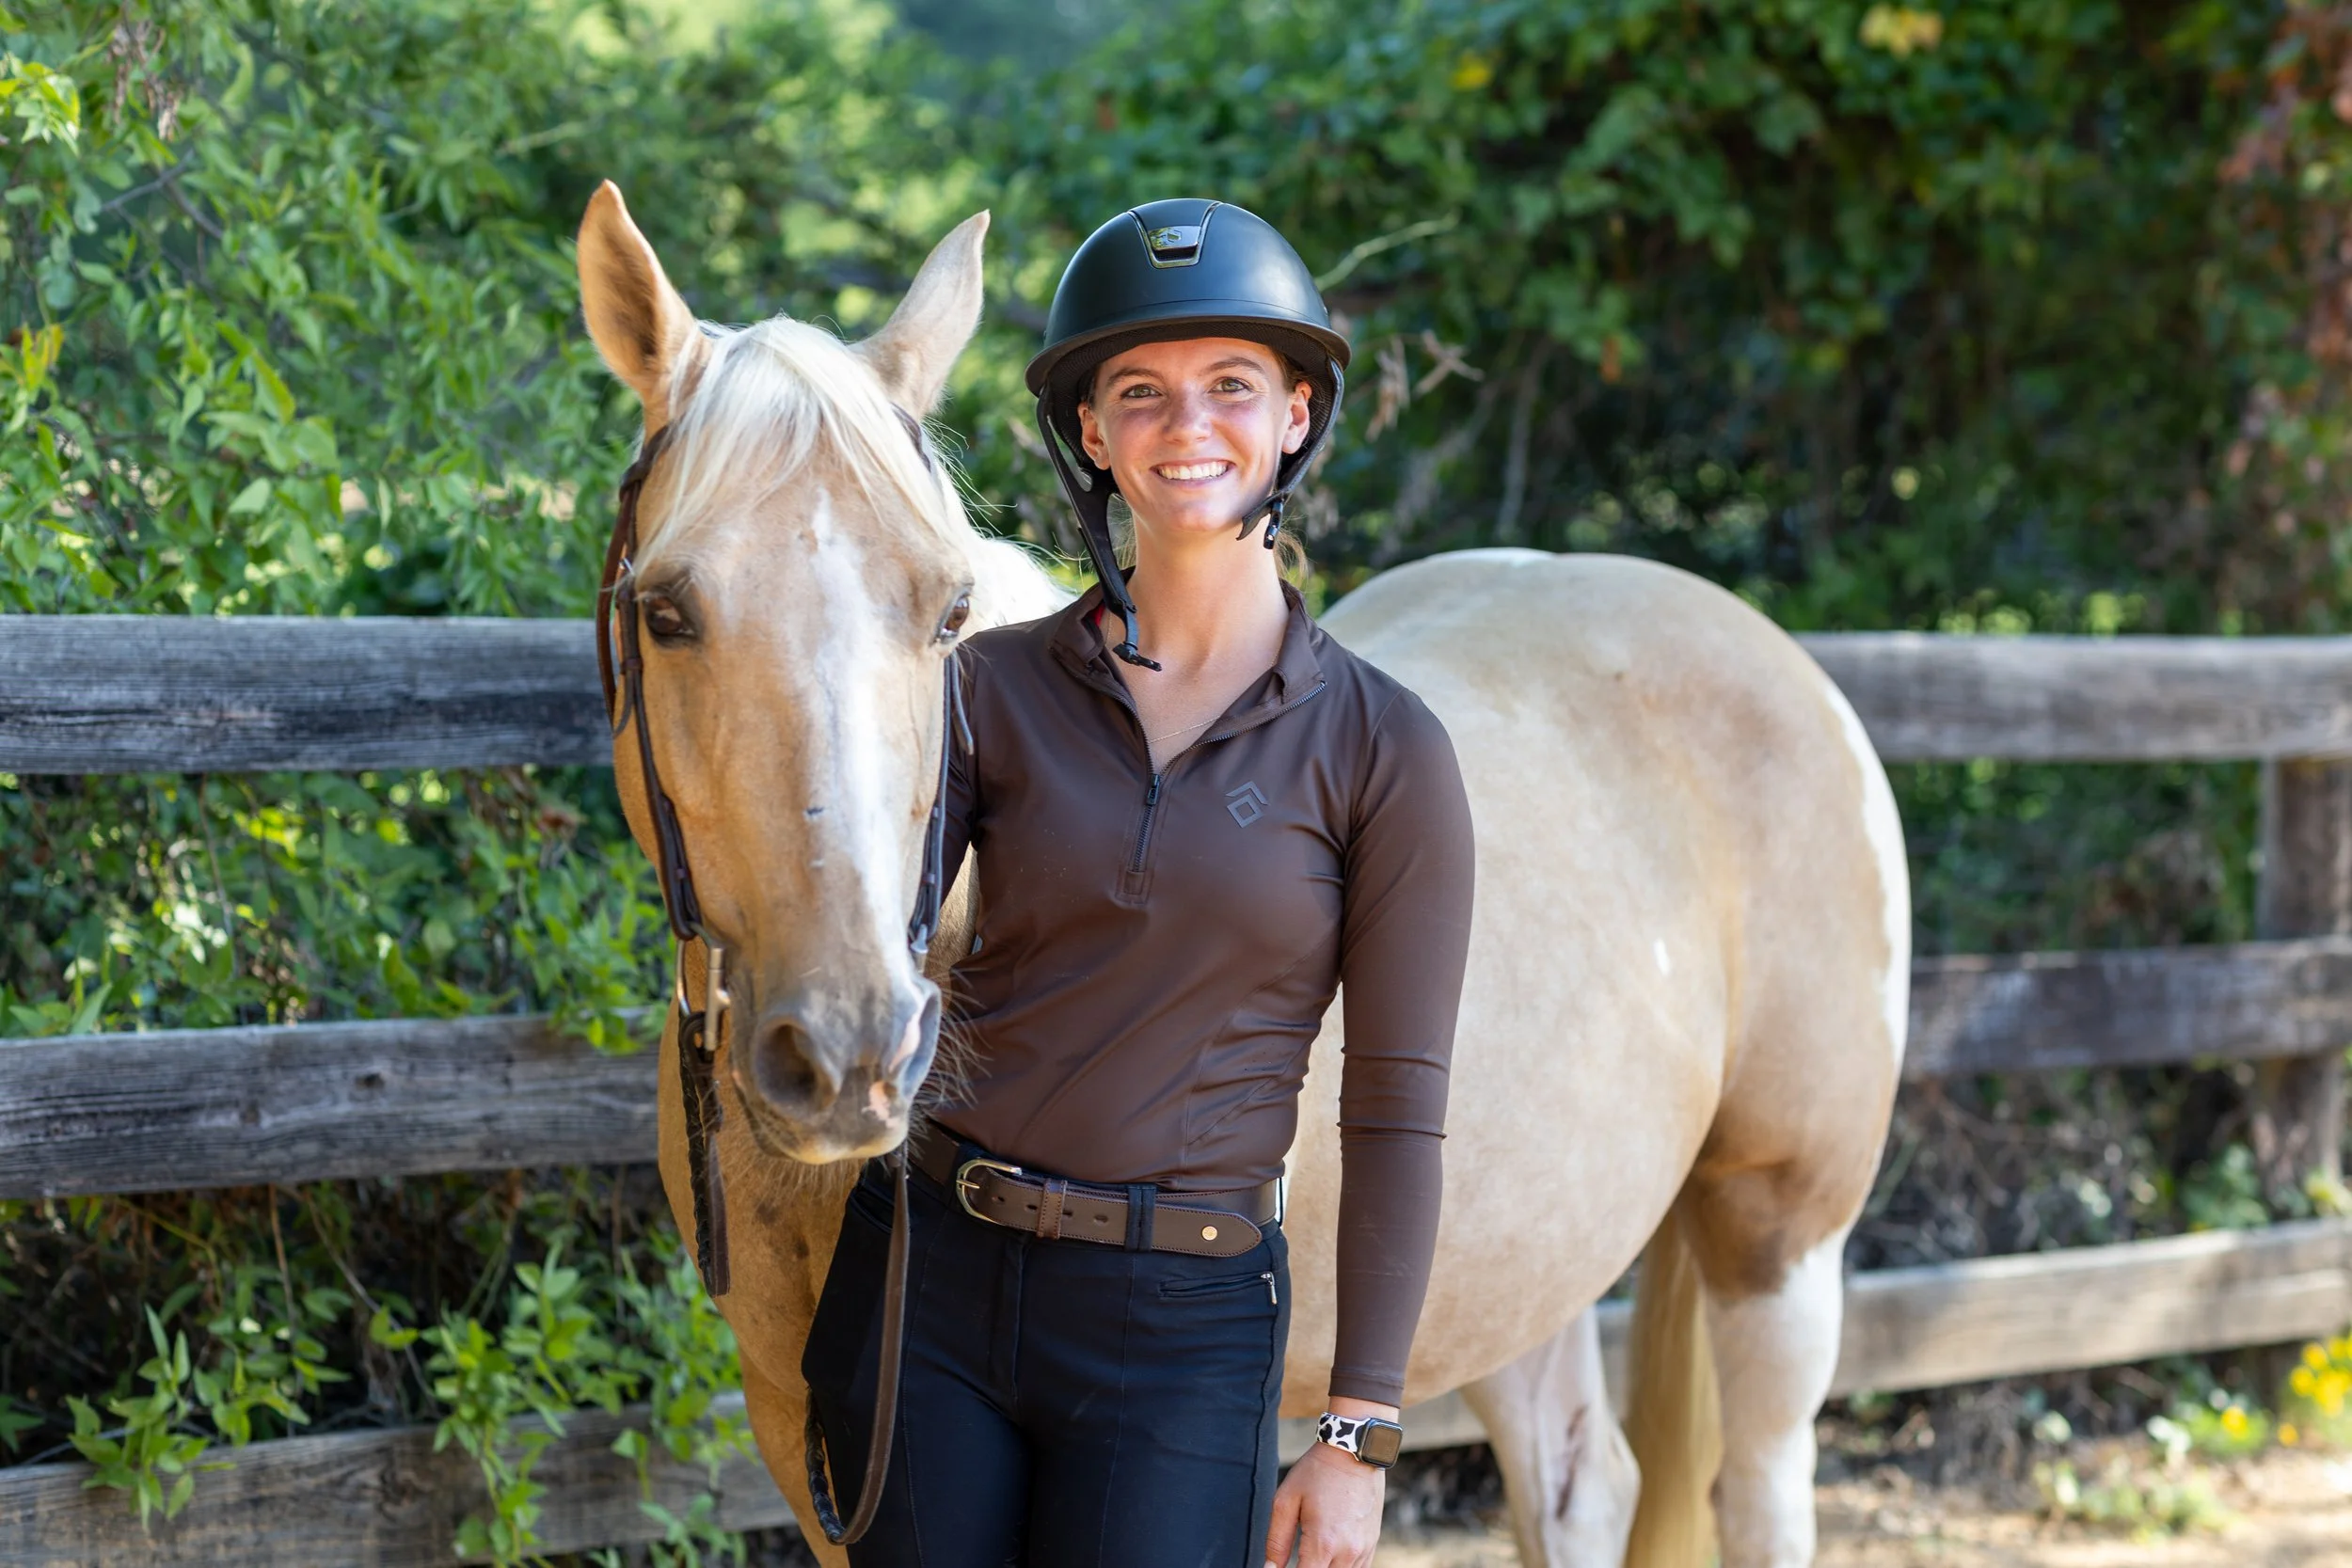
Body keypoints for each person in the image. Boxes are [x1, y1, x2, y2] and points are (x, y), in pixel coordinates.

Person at [803, 198, 1475, 1568]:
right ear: (1093, 433)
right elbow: (859, 926)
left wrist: (1359, 1434)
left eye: (1233, 385)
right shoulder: (982, 689)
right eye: (1142, 393)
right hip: (936, 1269)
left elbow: (1398, 1108)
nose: (1189, 426)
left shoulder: (1384, 747)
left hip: (1185, 1319)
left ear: (1295, 414)